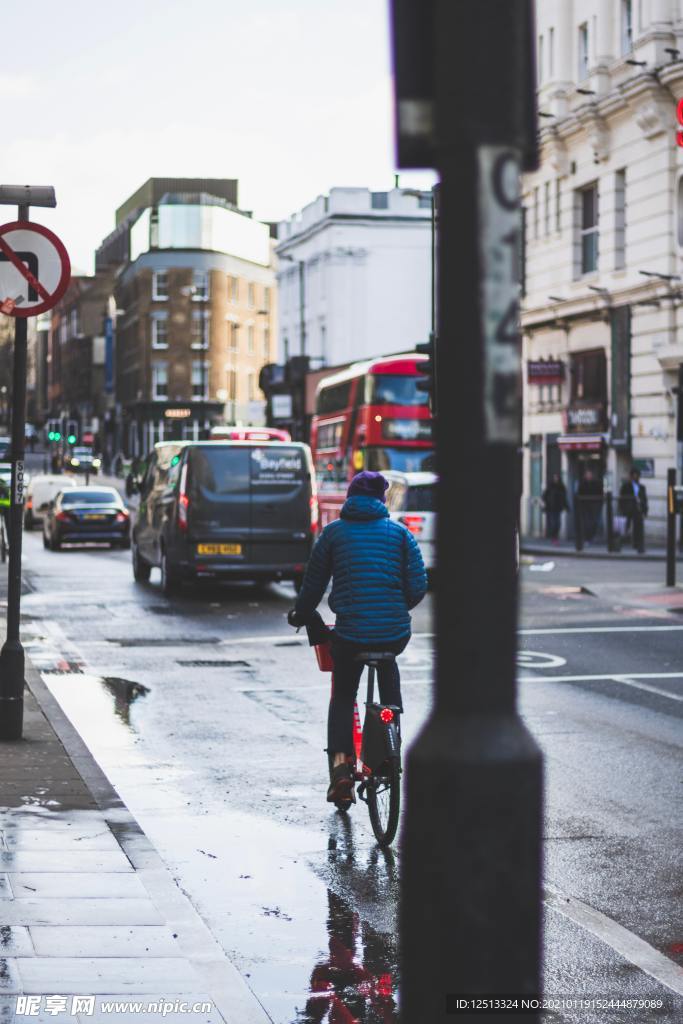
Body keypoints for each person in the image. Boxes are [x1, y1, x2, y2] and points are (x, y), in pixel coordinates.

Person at [287, 470, 427, 804]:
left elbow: (314, 584)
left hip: (350, 636)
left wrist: (301, 613)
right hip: (393, 634)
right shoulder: (400, 534)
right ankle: (390, 731)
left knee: (344, 695)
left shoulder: (334, 534)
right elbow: (419, 585)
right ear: (381, 499)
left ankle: (340, 771)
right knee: (387, 673)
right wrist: (396, 607)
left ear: (350, 498)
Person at [619, 468, 648, 553]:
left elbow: (644, 499)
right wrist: (623, 509)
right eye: (634, 475)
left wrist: (645, 510)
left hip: (638, 510)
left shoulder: (642, 487)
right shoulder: (626, 486)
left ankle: (638, 545)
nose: (635, 477)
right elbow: (622, 499)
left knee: (638, 528)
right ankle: (619, 543)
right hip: (628, 509)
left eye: (637, 475)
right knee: (625, 527)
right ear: (631, 476)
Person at [577, 468, 603, 543]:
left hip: (595, 505)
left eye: (590, 474)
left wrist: (599, 502)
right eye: (587, 475)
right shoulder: (582, 484)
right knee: (587, 522)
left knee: (595, 522)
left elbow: (600, 493)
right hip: (585, 505)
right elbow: (579, 494)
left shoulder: (596, 483)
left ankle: (591, 536)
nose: (588, 476)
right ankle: (587, 537)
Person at [542, 473, 568, 542]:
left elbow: (564, 498)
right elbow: (544, 496)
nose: (556, 479)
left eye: (557, 477)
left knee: (558, 523)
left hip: (558, 508)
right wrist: (546, 504)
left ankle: (555, 536)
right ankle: (553, 537)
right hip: (550, 508)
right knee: (553, 523)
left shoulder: (561, 487)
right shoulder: (550, 486)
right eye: (555, 477)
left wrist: (566, 507)